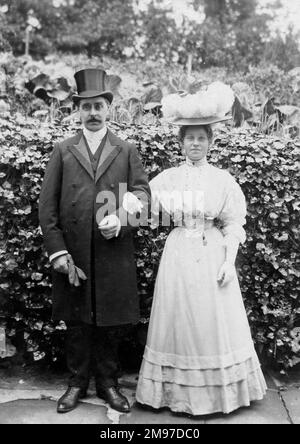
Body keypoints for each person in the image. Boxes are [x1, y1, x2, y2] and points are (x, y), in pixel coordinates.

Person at [136, 82, 267, 416]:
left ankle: (218, 396)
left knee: (211, 323)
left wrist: (229, 262)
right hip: (179, 252)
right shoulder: (167, 178)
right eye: (189, 138)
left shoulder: (223, 180)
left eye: (201, 138)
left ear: (210, 142)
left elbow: (234, 223)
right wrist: (118, 209)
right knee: (179, 322)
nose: (195, 144)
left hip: (212, 253)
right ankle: (174, 396)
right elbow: (141, 202)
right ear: (180, 143)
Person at [39, 68, 150, 414]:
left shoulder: (125, 150)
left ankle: (108, 383)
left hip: (113, 250)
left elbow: (143, 195)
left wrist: (120, 219)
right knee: (77, 321)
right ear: (78, 110)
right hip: (75, 252)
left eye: (98, 106)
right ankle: (76, 384)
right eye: (85, 107)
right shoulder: (63, 150)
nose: (92, 113)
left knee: (110, 321)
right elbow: (48, 205)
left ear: (108, 108)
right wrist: (57, 250)